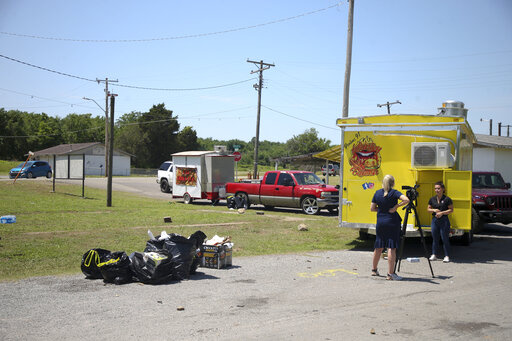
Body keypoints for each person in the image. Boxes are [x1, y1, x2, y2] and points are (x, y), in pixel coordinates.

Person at [370, 175, 410, 280]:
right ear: (392, 183)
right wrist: (395, 207)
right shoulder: (394, 192)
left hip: (381, 221)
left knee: (378, 246)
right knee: (391, 247)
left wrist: (381, 210)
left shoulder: (377, 193)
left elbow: (372, 208)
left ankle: (374, 270)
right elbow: (406, 200)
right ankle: (390, 273)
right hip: (392, 222)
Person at [427, 181, 454, 263]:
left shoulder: (447, 199)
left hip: (444, 220)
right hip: (435, 220)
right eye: (435, 188)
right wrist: (434, 210)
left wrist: (442, 213)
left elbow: (451, 210)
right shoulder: (432, 199)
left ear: (443, 189)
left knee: (444, 238)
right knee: (435, 238)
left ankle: (447, 256)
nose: (437, 190)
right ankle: (434, 254)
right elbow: (428, 209)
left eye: (438, 188)